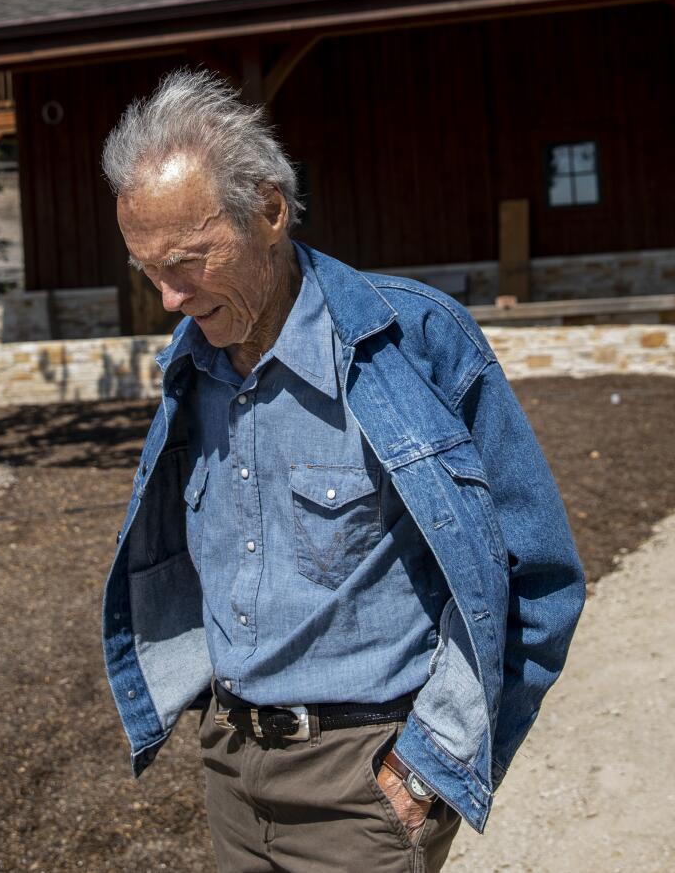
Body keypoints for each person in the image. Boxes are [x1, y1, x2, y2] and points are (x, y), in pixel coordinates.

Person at [99, 68, 586, 872]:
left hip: (366, 781)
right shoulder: (190, 368)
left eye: (186, 261)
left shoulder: (416, 343)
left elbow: (540, 579)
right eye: (147, 268)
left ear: (270, 210)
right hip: (231, 764)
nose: (167, 298)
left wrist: (435, 761)